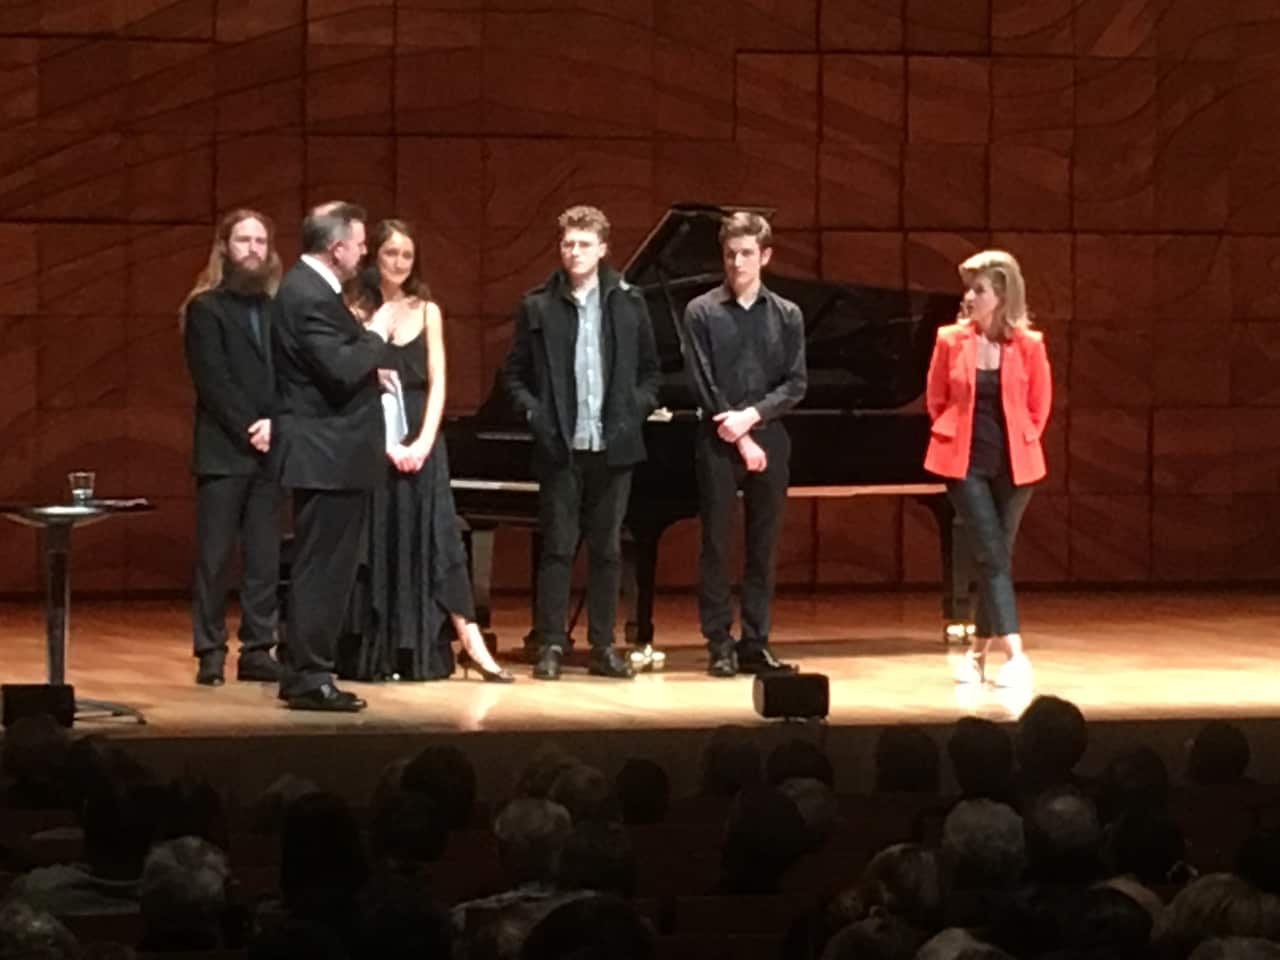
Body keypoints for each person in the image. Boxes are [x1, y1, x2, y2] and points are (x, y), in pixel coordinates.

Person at [343, 218, 513, 683]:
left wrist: (420, 442)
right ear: (374, 256)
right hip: (372, 442)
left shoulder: (428, 310)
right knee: (376, 544)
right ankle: (377, 651)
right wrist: (385, 445)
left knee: (437, 542)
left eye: (406, 256)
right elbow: (347, 377)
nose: (398, 263)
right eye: (390, 253)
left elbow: (439, 383)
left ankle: (471, 642)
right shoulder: (355, 308)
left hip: (422, 443)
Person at [502, 205, 660, 681]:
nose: (575, 251)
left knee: (608, 549)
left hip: (614, 446)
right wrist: (535, 413)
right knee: (557, 547)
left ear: (603, 248)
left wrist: (635, 407)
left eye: (584, 244)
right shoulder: (538, 304)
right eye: (568, 243)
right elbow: (513, 374)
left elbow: (651, 372)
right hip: (561, 446)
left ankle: (602, 647)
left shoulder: (630, 302)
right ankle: (550, 642)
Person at [271, 201, 397, 712]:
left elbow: (334, 367)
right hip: (328, 456)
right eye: (360, 242)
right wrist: (377, 334)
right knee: (322, 570)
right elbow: (339, 369)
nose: (365, 251)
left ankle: (305, 670)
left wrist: (371, 370)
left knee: (323, 567)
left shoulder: (314, 292)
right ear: (336, 246)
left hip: (331, 455)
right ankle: (308, 675)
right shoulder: (307, 296)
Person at [683, 210, 807, 678]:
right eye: (731, 254)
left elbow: (795, 384)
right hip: (717, 437)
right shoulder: (701, 311)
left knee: (763, 543)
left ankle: (756, 640)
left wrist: (752, 421)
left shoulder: (788, 315)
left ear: (766, 256)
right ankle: (719, 641)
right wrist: (738, 435)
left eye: (747, 254)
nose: (737, 262)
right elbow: (703, 382)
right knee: (716, 542)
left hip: (768, 435)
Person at [924, 249, 1051, 688]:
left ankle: (977, 655)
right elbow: (936, 400)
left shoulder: (1030, 345)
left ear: (1001, 295)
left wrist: (1022, 439)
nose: (969, 297)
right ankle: (1016, 654)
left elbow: (1039, 407)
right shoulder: (949, 340)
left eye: (979, 289)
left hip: (1016, 467)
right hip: (964, 464)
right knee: (994, 556)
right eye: (970, 289)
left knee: (992, 558)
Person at [180, 208, 284, 686]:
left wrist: (276, 424)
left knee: (264, 556)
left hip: (271, 450)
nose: (253, 250)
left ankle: (259, 648)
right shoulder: (206, 308)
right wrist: (251, 427)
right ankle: (209, 650)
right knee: (215, 556)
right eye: (244, 241)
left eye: (260, 241)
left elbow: (288, 377)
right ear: (225, 247)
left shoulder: (276, 307)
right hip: (224, 451)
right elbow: (213, 381)